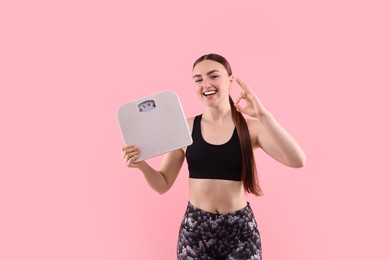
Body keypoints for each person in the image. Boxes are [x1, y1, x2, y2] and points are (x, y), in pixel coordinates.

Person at [122, 53, 306, 259]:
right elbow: (162, 184)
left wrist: (264, 115)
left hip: (240, 230)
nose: (206, 84)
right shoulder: (185, 128)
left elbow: (297, 160)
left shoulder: (251, 129)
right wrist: (141, 165)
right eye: (198, 79)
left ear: (230, 80)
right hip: (195, 231)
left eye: (213, 76)